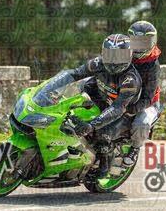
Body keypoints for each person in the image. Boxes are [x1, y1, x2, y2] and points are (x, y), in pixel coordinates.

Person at [35, 34, 142, 177]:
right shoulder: (98, 63)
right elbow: (73, 74)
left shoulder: (130, 80)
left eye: (118, 56)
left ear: (129, 56)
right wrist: (46, 89)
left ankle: (106, 161)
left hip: (124, 113)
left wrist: (92, 125)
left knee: (102, 133)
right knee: (69, 115)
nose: (113, 61)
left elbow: (118, 108)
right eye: (110, 55)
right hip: (100, 101)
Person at [122, 21, 161, 166]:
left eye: (143, 43)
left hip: (148, 103)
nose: (139, 47)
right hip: (124, 96)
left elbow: (148, 97)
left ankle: (135, 148)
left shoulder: (153, 66)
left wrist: (129, 109)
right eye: (136, 42)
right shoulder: (123, 54)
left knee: (141, 123)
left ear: (152, 42)